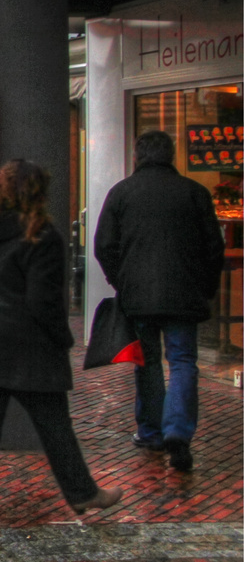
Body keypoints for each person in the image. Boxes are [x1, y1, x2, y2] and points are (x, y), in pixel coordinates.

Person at [0, 160, 122, 534]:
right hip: (28, 347)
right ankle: (83, 492)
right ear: (39, 194)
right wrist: (63, 339)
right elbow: (44, 301)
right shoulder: (42, 235)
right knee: (55, 425)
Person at [93, 129, 225, 472]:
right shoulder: (195, 193)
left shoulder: (121, 193)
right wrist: (206, 287)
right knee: (183, 361)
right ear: (172, 156)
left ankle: (150, 431)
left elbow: (104, 245)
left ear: (137, 156)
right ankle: (178, 431)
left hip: (138, 297)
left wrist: (120, 281)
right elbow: (214, 247)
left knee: (147, 363)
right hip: (184, 294)